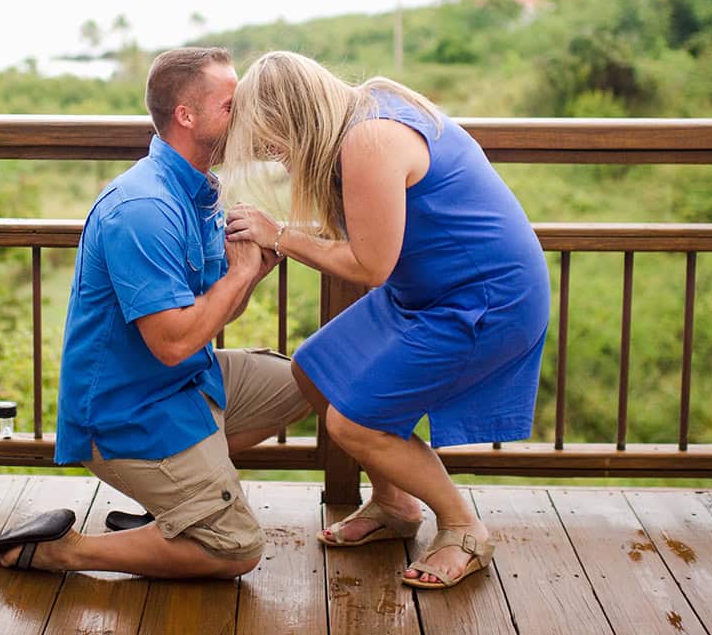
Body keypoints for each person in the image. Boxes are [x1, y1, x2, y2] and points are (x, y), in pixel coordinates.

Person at [221, 51, 548, 591]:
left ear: (298, 117)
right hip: (425, 289)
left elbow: (370, 266)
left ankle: (465, 529)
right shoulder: (365, 109)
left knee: (354, 423)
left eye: (273, 138)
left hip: (486, 302)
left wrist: (280, 236)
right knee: (314, 370)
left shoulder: (369, 139)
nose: (274, 154)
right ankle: (396, 505)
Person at [0, 47, 309, 577]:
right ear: (187, 116)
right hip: (129, 411)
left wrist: (254, 270)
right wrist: (242, 273)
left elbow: (209, 312)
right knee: (236, 548)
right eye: (232, 106)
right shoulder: (144, 209)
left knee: (310, 379)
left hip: (187, 383)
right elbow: (174, 341)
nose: (246, 118)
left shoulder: (198, 191)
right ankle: (66, 551)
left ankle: (176, 504)